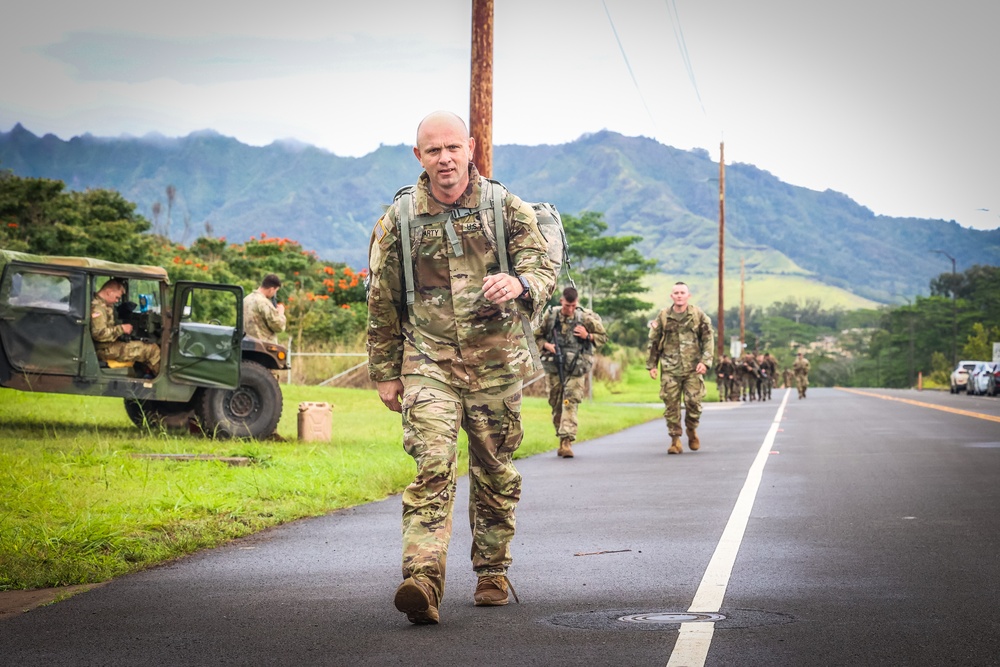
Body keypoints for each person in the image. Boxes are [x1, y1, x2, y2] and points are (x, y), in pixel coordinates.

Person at [366, 111, 556, 625]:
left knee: (494, 469)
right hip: (428, 362)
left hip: (496, 363)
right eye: (434, 151)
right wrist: (385, 370)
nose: (445, 159)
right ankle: (423, 580)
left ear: (471, 147)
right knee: (432, 462)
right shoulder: (399, 220)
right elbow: (381, 300)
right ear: (419, 157)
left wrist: (520, 284)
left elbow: (541, 263)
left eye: (453, 148)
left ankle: (492, 570)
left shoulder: (503, 206)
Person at [535, 286, 607, 459]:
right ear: (561, 302)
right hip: (554, 367)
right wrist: (546, 345)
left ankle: (567, 442)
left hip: (576, 369)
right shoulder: (551, 316)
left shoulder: (585, 318)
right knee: (555, 403)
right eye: (567, 305)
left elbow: (603, 337)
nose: (570, 309)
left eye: (573, 306)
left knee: (570, 402)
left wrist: (587, 335)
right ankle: (561, 437)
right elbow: (536, 335)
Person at [646, 282, 715, 454]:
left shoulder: (698, 315)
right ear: (671, 296)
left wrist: (705, 361)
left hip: (693, 368)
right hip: (670, 368)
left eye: (682, 292)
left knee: (693, 403)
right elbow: (654, 341)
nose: (679, 295)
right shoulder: (663, 316)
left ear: (688, 296)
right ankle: (675, 440)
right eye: (676, 292)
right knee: (671, 405)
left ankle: (691, 429)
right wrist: (652, 365)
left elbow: (708, 339)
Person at [91, 278, 160, 376]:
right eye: (117, 297)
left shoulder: (105, 305)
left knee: (143, 345)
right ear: (108, 292)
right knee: (152, 350)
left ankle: (146, 377)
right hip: (103, 349)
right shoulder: (97, 309)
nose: (117, 300)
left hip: (108, 345)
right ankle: (165, 384)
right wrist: (121, 329)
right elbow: (99, 335)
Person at [243, 274, 286, 344]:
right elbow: (278, 327)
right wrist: (281, 314)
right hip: (263, 348)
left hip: (246, 345)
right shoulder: (264, 303)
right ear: (271, 289)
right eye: (276, 291)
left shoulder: (245, 299)